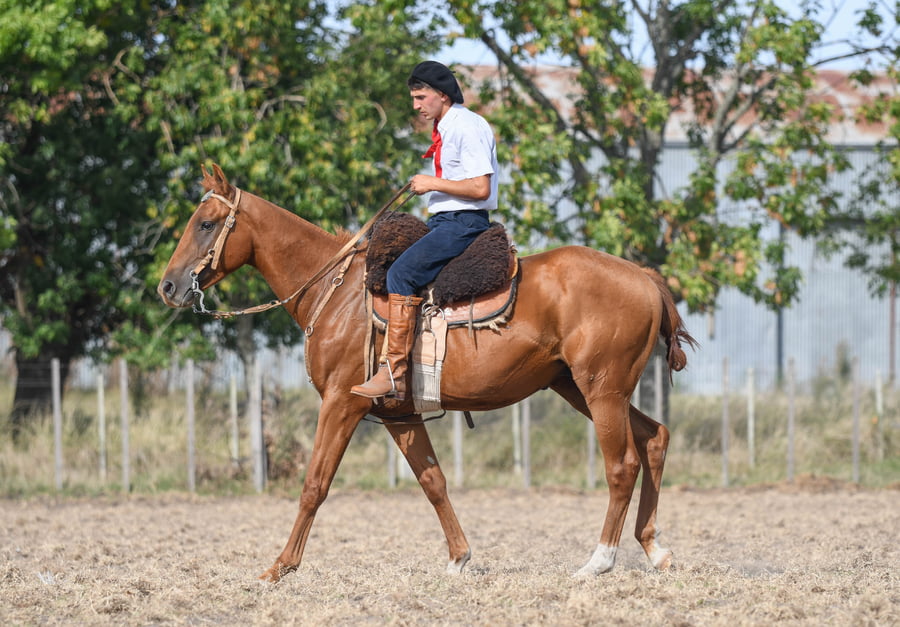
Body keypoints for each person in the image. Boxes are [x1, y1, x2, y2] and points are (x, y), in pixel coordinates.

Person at [351, 60, 499, 401]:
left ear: (442, 95)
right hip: (446, 220)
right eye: (414, 98)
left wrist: (431, 182)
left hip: (464, 222)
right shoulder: (448, 127)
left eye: (420, 97)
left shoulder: (466, 126)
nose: (416, 106)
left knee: (401, 273)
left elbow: (480, 188)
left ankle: (395, 372)